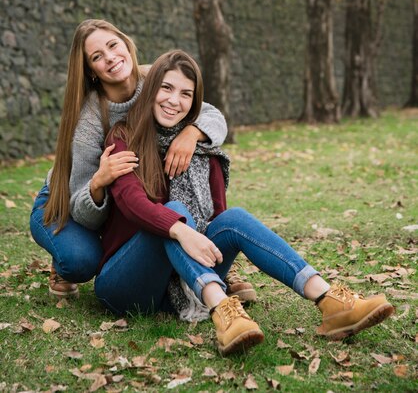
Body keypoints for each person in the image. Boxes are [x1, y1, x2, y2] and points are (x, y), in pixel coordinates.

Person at [95, 50, 395, 356]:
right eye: (167, 88)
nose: (175, 101)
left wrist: (192, 137)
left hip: (176, 288)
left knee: (233, 218)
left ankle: (329, 300)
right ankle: (223, 308)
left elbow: (217, 218)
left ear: (195, 103)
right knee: (174, 216)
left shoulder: (201, 149)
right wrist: (182, 231)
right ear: (151, 88)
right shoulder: (124, 136)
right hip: (124, 283)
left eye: (186, 94)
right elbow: (131, 201)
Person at [29, 20, 229, 299]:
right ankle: (61, 259)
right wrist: (98, 181)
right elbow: (82, 210)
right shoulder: (89, 121)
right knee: (82, 261)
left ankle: (216, 261)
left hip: (121, 189)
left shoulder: (155, 79)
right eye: (97, 57)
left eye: (113, 45)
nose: (110, 57)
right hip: (66, 198)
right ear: (91, 71)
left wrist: (193, 133)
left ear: (126, 44)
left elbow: (213, 116)